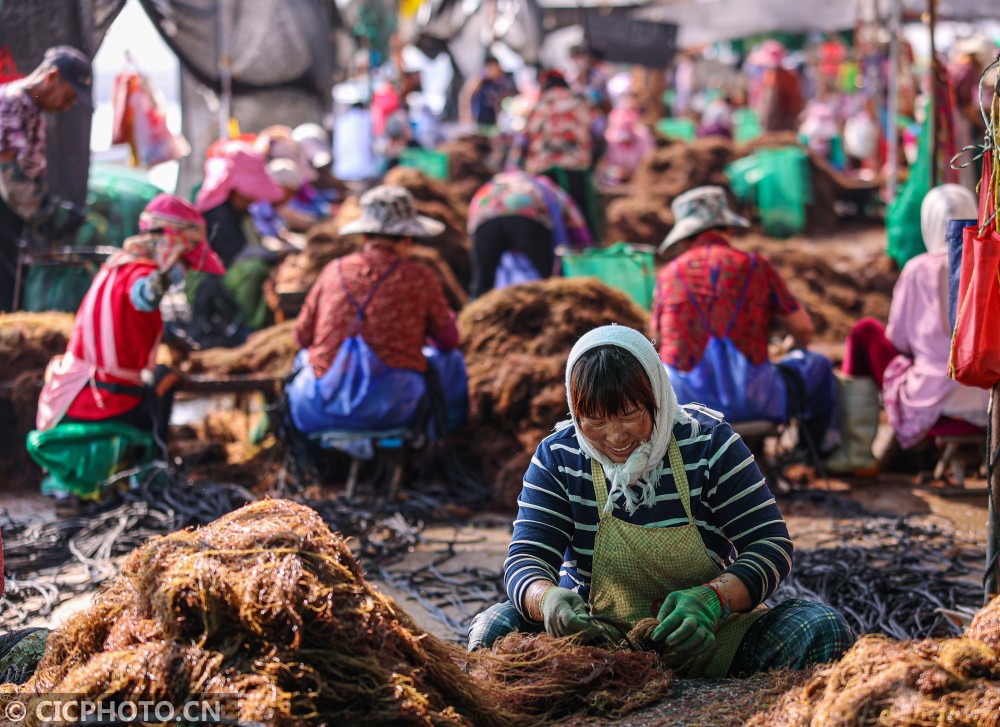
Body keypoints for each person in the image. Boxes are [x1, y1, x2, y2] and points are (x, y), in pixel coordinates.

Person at [468, 325, 854, 676]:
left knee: (819, 629)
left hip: (709, 635)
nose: (617, 437)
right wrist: (547, 599)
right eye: (596, 422)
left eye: (631, 415)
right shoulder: (559, 456)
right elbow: (526, 558)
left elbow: (770, 546)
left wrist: (713, 599)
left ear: (657, 396)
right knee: (493, 633)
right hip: (592, 643)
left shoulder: (709, 445)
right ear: (575, 411)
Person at [32, 195, 224, 503]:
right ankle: (147, 473)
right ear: (170, 246)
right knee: (164, 381)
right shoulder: (139, 273)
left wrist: (173, 339)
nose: (185, 270)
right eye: (185, 261)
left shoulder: (116, 267)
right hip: (98, 398)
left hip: (76, 390)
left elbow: (133, 317)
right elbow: (143, 297)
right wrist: (162, 276)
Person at [652, 187, 838, 453]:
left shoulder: (667, 276)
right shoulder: (755, 266)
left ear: (685, 238)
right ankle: (815, 454)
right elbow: (803, 328)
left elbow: (657, 342)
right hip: (755, 400)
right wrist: (791, 346)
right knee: (817, 365)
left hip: (687, 408)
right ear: (727, 228)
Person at [831, 185, 989, 473]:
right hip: (989, 397)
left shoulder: (919, 268)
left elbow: (899, 340)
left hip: (934, 402)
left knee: (865, 331)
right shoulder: (989, 263)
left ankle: (857, 453)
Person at [287, 185, 467, 436]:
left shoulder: (333, 271)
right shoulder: (420, 278)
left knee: (304, 358)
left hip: (319, 409)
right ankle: (448, 440)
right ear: (407, 240)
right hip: (392, 407)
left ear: (364, 238)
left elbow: (301, 337)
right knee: (452, 361)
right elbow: (449, 341)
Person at [0, 46, 92, 311]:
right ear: (52, 77)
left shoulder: (33, 111)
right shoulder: (9, 105)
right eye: (70, 96)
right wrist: (51, 213)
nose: (69, 105)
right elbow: (8, 180)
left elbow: (30, 175)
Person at [191, 144, 284, 341]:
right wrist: (275, 254)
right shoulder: (218, 214)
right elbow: (238, 254)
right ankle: (250, 329)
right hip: (208, 282)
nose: (252, 200)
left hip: (226, 274)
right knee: (254, 270)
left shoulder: (238, 211)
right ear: (234, 190)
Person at [468, 170, 593, 297]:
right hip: (529, 219)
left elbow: (472, 221)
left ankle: (477, 312)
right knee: (549, 281)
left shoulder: (493, 185)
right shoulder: (550, 188)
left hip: (485, 219)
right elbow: (576, 223)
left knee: (483, 282)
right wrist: (584, 250)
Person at [513, 70, 601, 240]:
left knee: (550, 218)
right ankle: (584, 253)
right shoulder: (579, 104)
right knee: (581, 214)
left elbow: (523, 141)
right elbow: (597, 135)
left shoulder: (539, 106)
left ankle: (555, 253)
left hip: (545, 173)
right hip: (576, 170)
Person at [460, 56, 516, 131]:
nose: (497, 71)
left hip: (493, 121)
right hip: (479, 119)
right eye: (494, 68)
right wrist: (465, 114)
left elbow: (501, 100)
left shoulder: (500, 83)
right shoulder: (480, 80)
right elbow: (466, 96)